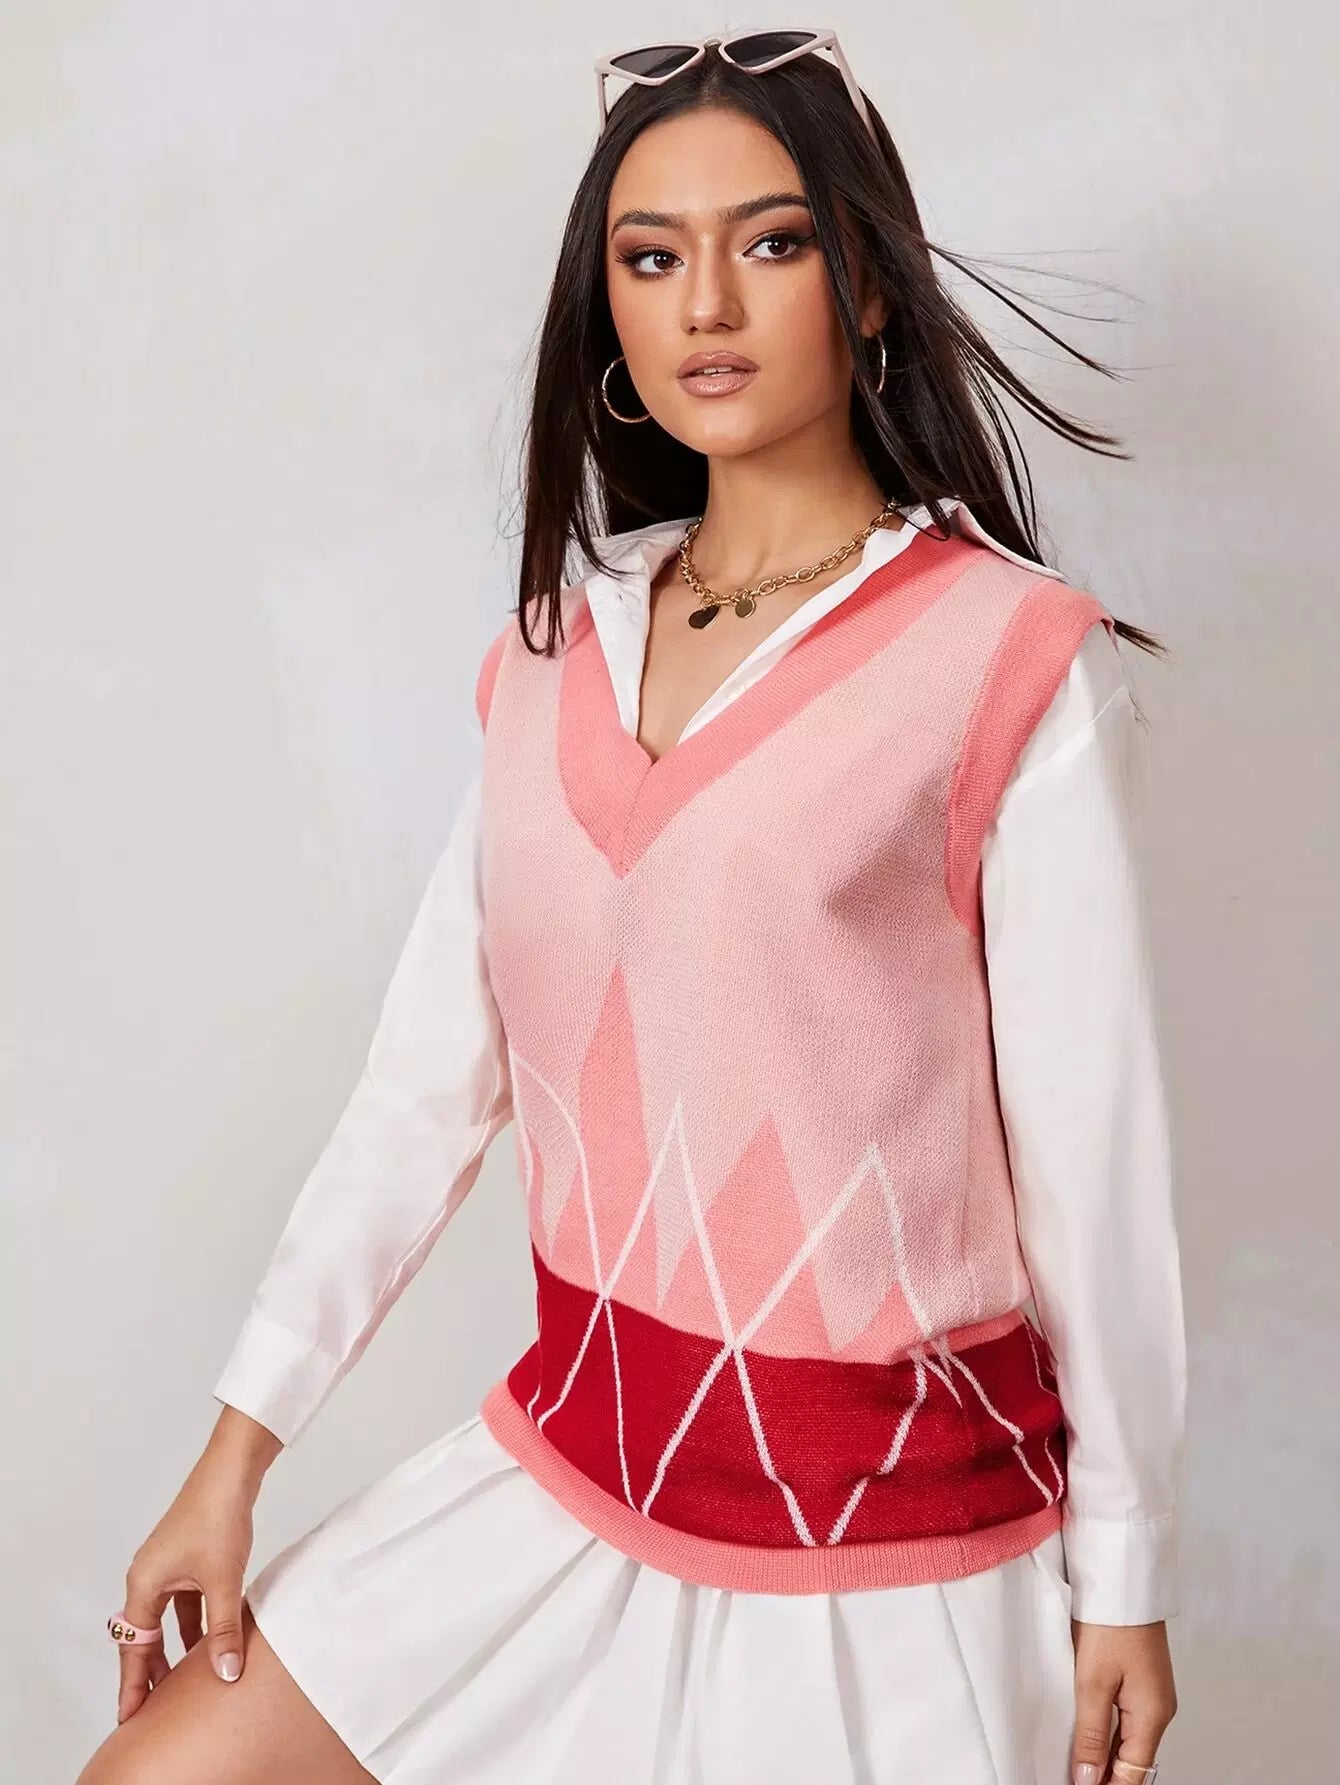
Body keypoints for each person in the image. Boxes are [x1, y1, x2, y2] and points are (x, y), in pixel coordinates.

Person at [77, 30, 1186, 1785]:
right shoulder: (549, 657)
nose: (706, 305)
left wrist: (1122, 1575)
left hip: (887, 1568)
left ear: (869, 287)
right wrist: (239, 1450)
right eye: (651, 258)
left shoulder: (1006, 659)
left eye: (773, 242)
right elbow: (423, 1095)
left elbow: (1095, 1165)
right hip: (566, 1485)